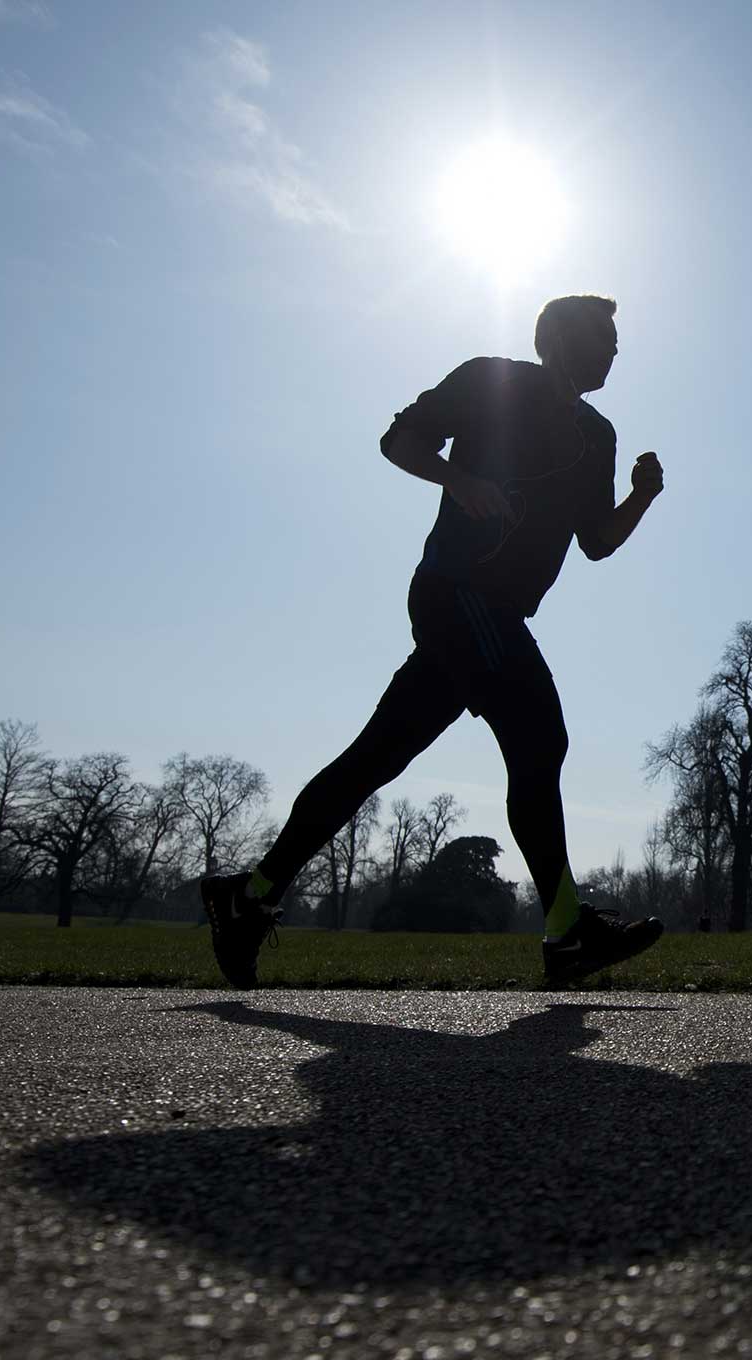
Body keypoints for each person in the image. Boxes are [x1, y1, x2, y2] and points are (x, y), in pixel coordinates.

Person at [200, 294, 665, 988]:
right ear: (558, 338)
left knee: (374, 759)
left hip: (494, 615)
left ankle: (248, 896)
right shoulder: (489, 381)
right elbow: (400, 439)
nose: (616, 349)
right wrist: (460, 479)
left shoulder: (598, 436)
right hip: (457, 595)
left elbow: (595, 542)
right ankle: (567, 932)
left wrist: (642, 497)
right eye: (603, 335)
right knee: (539, 733)